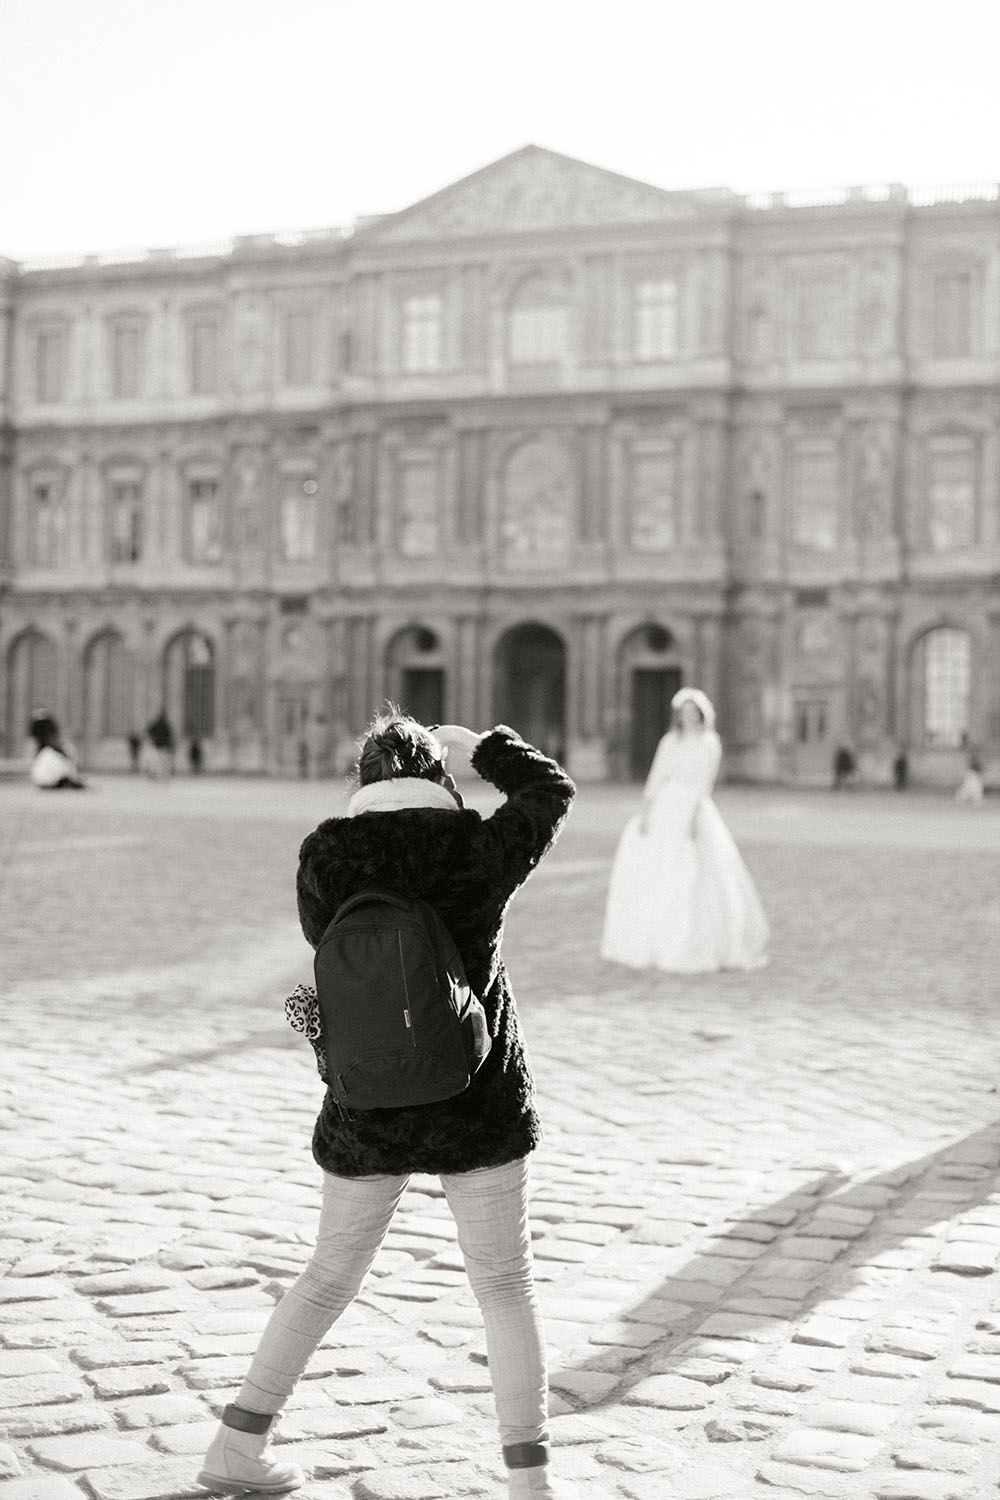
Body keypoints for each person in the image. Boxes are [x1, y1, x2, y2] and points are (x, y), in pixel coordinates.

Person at [197, 712, 578, 1500]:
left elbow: (328, 949)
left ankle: (238, 1442)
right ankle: (529, 1485)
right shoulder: (477, 848)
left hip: (367, 1097)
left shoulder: (326, 855)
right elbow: (551, 791)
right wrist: (491, 749)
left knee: (327, 1275)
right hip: (476, 1094)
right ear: (441, 777)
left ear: (363, 780)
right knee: (505, 1286)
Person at [600, 687, 768, 973]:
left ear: (701, 715)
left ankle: (695, 939)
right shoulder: (669, 741)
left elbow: (705, 782)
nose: (688, 717)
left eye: (693, 712)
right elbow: (656, 776)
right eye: (684, 712)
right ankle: (654, 935)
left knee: (693, 871)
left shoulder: (709, 743)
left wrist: (693, 816)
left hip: (692, 806)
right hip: (665, 806)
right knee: (658, 869)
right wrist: (646, 811)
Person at [146, 710, 175, 780]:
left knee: (159, 761)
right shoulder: (165, 726)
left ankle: (158, 774)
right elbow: (169, 736)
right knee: (162, 762)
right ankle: (161, 775)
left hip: (159, 746)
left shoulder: (159, 725)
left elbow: (149, 731)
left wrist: (152, 739)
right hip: (162, 746)